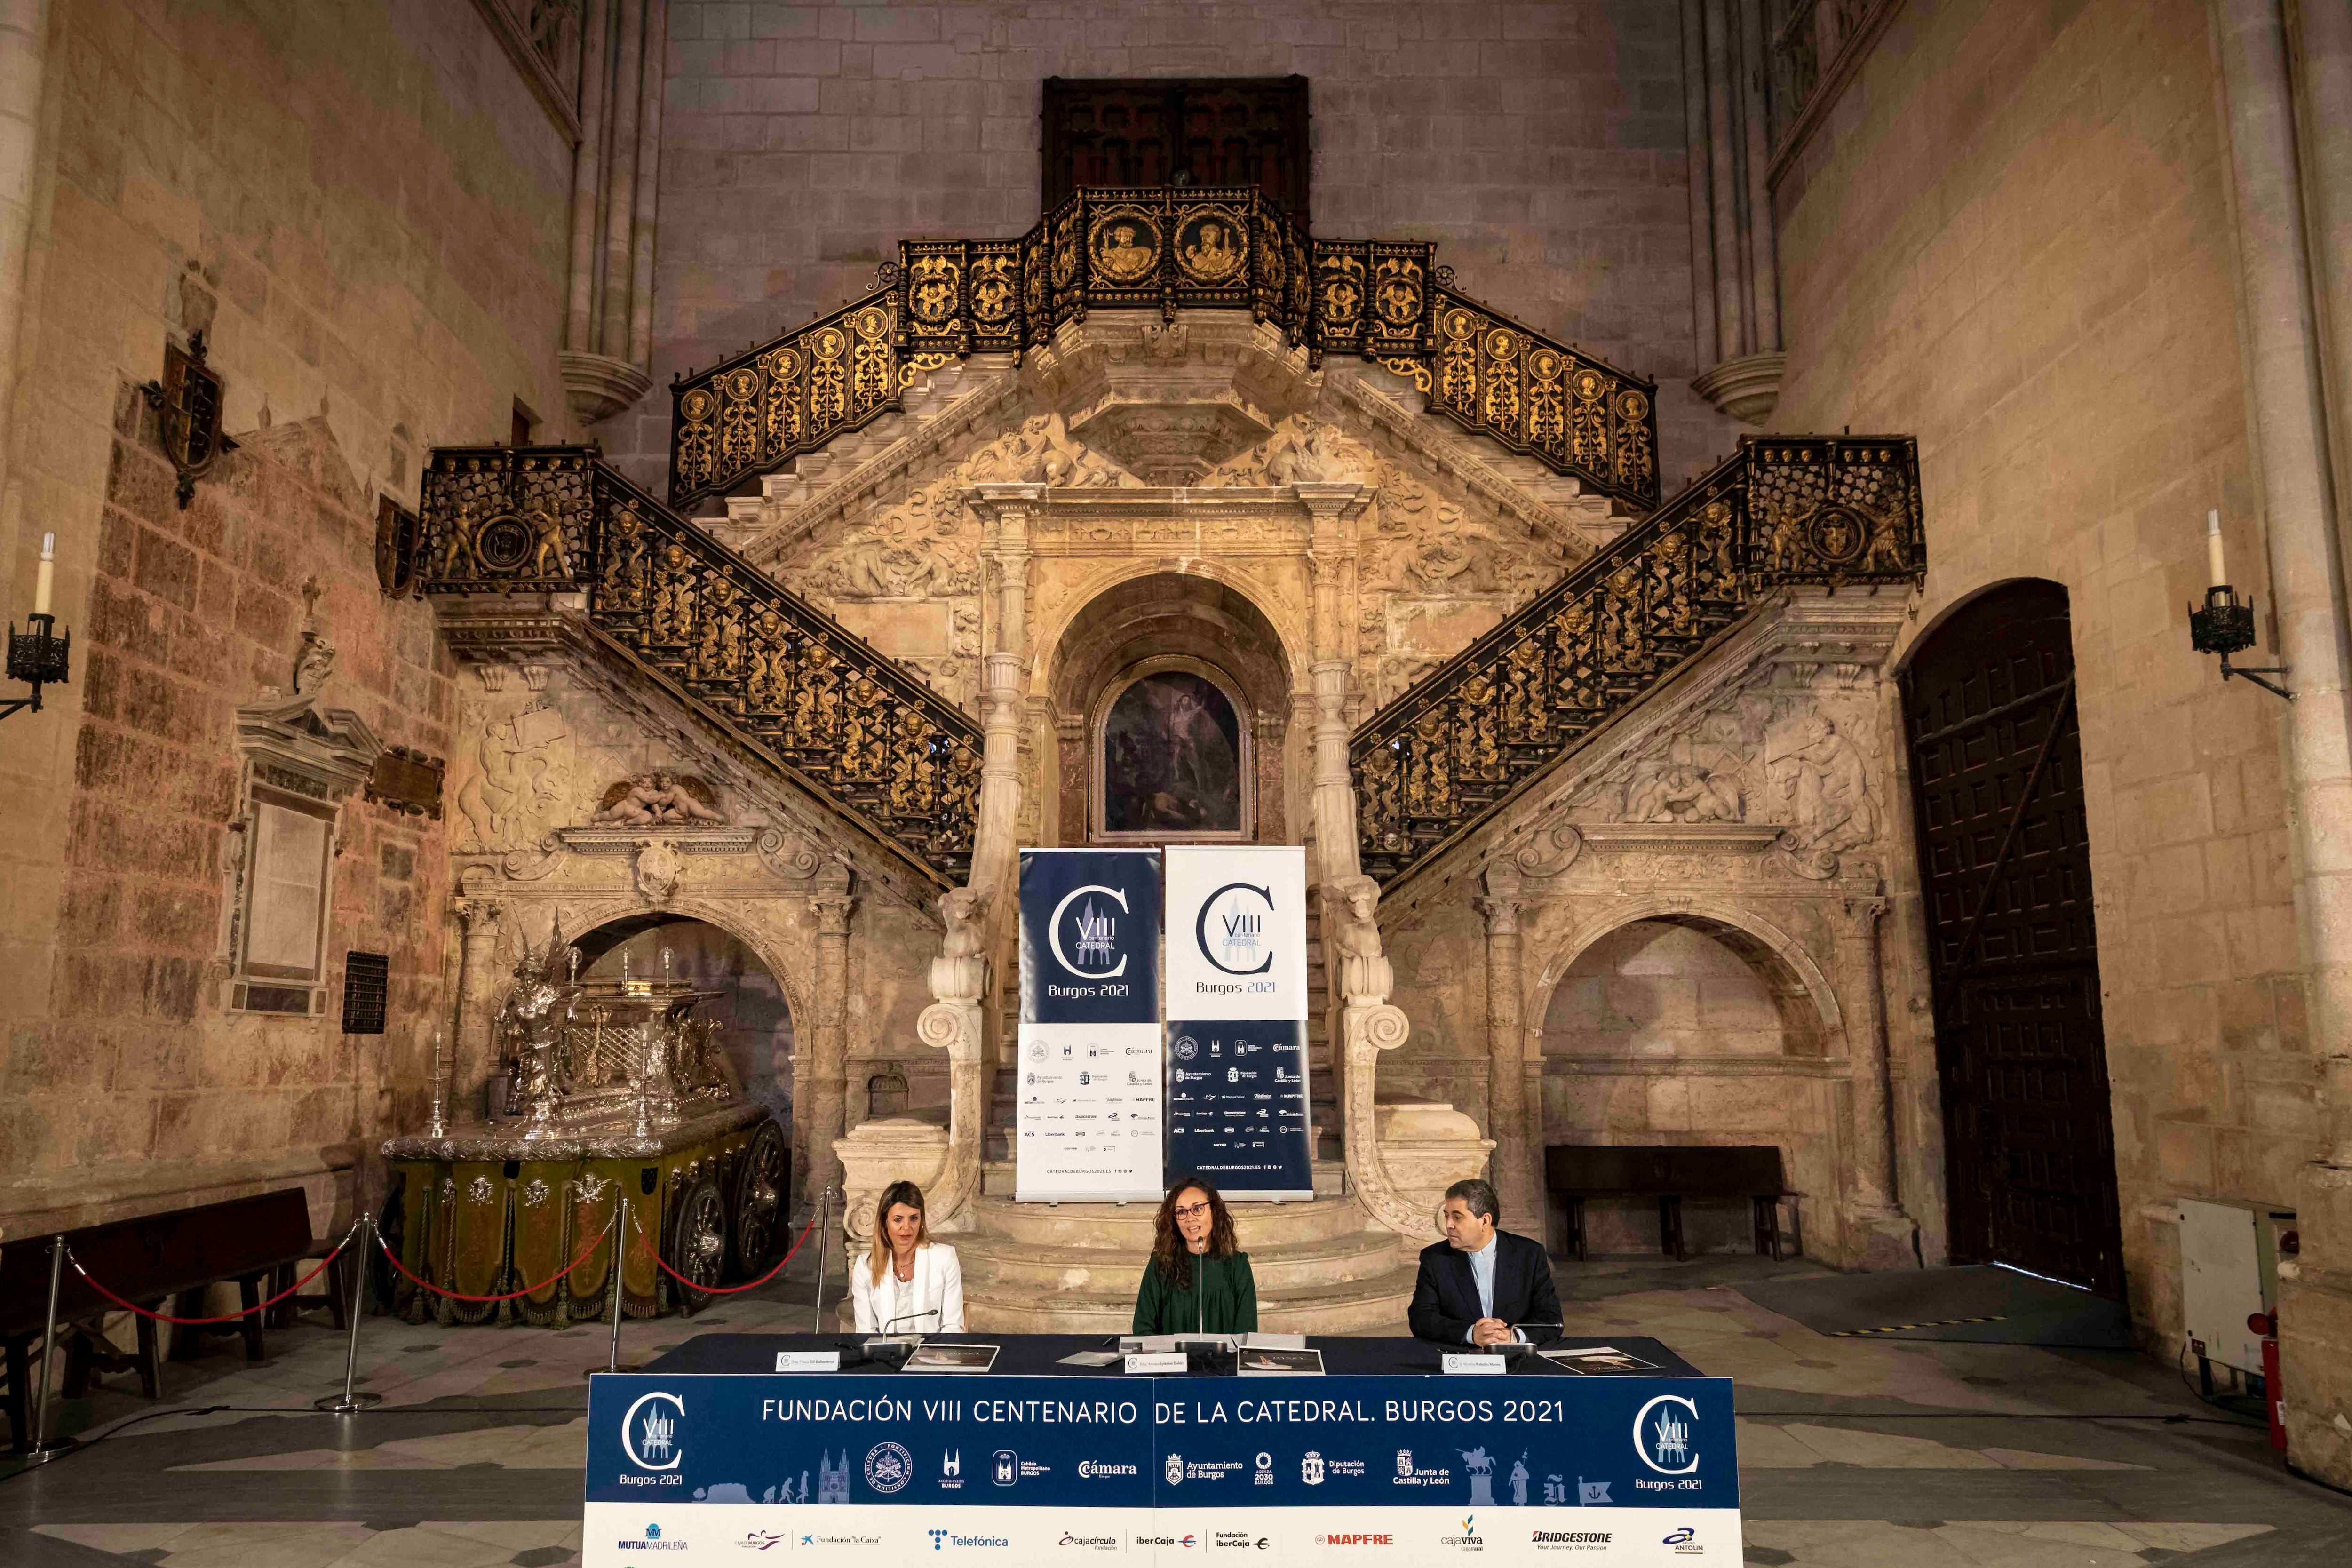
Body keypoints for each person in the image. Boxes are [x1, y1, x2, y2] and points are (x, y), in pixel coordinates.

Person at [1407, 1178, 1561, 1346]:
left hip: (1518, 1359)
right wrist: (1471, 1333)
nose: (1449, 1225)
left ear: (1485, 1221)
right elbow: (1421, 1319)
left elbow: (1552, 1320)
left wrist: (1513, 1336)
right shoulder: (1435, 1258)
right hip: (1459, 1357)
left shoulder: (1529, 1254)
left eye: (1457, 1218)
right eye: (1447, 1216)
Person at [1131, 1176, 1258, 1335]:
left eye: (1198, 1209)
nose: (1190, 1218)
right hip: (1171, 1359)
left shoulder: (1237, 1266)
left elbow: (1246, 1334)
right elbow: (1143, 1329)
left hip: (1224, 1360)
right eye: (1181, 1212)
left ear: (1214, 1212)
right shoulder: (1160, 1264)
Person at [850, 1180, 965, 1333]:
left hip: (931, 1354)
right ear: (885, 1222)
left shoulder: (945, 1258)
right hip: (884, 1354)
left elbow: (953, 1327)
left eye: (914, 1218)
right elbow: (866, 1332)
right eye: (898, 1220)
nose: (907, 1228)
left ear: (921, 1220)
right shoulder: (865, 1267)